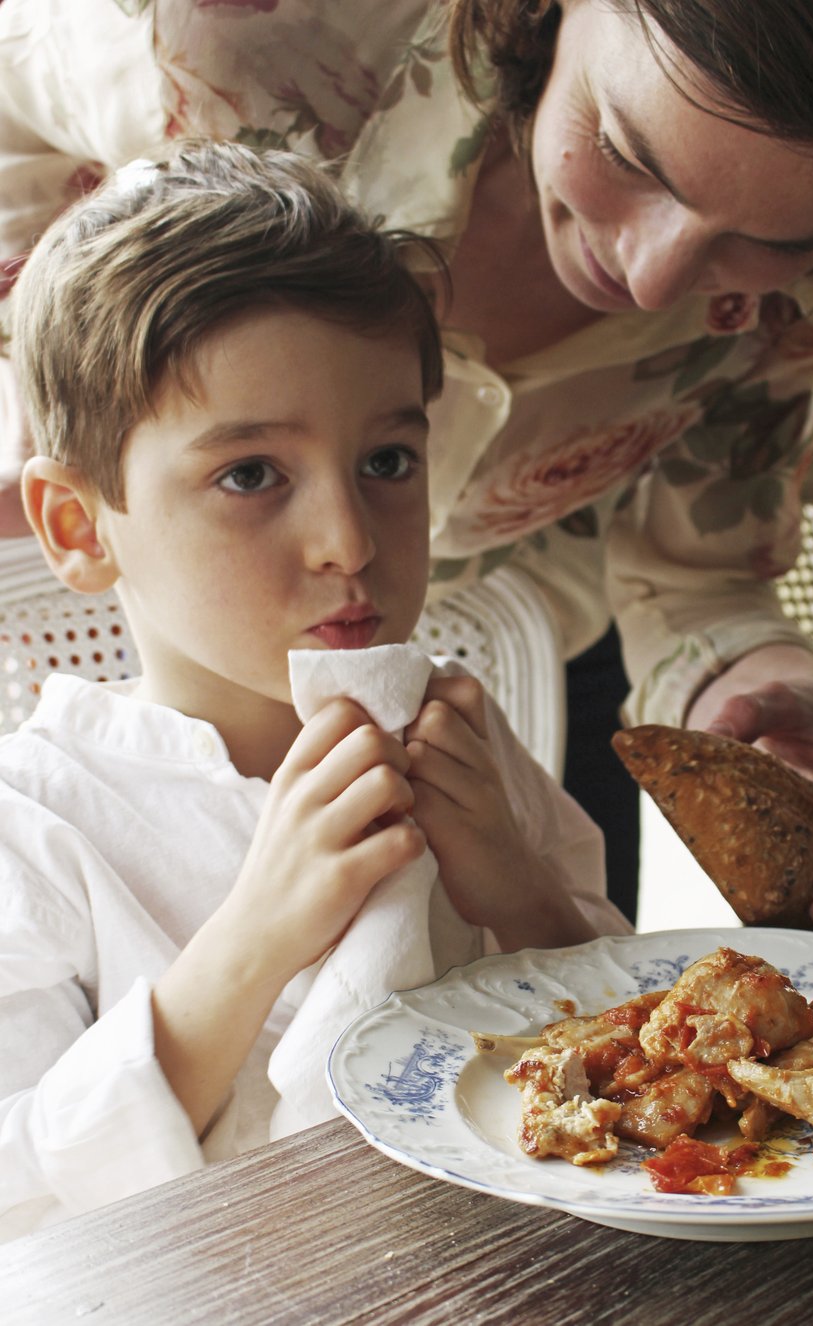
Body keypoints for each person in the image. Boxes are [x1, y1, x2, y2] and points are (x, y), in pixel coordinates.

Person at [2, 2, 813, 932]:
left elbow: (698, 569)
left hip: (521, 660)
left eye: (770, 241)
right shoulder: (235, 38)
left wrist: (768, 699)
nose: (652, 276)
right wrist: (82, 375)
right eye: (628, 155)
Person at [0, 139, 631, 1239]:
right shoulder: (39, 828)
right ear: (78, 527)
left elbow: (637, 1055)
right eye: (250, 476)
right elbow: (27, 1200)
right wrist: (253, 940)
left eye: (387, 461)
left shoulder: (468, 752)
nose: (349, 541)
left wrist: (518, 893)